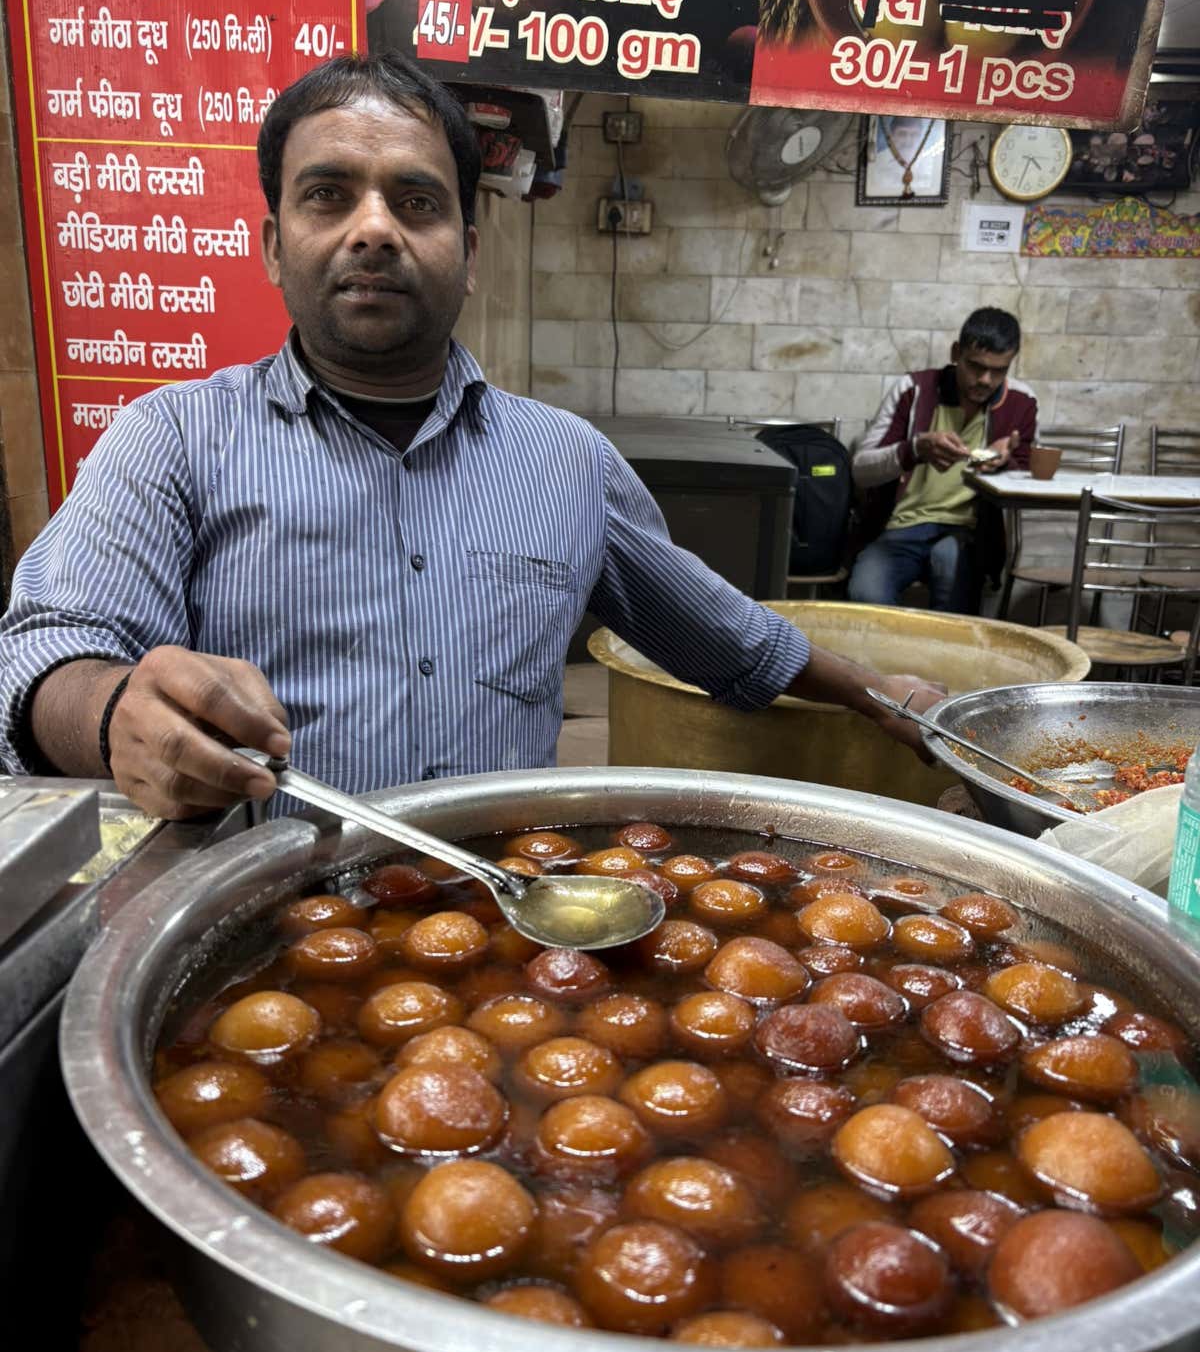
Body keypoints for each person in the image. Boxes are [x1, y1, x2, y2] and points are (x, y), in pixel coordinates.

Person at [0, 52, 942, 819]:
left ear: (469, 252)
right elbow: (49, 653)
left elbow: (731, 640)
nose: (374, 230)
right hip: (260, 940)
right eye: (329, 196)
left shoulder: (565, 463)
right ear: (272, 246)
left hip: (500, 940)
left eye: (416, 202)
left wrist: (880, 694)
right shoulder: (170, 441)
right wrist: (117, 708)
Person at [847, 308, 1037, 614]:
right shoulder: (914, 390)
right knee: (865, 593)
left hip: (967, 531)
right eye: (975, 367)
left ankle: (938, 661)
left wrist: (1005, 463)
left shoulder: (1020, 401)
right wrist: (915, 449)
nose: (986, 380)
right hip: (901, 526)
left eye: (999, 370)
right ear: (956, 353)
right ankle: (888, 663)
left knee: (954, 580)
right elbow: (861, 470)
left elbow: (1027, 489)